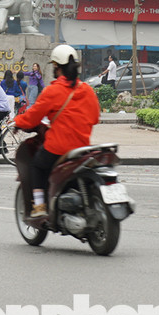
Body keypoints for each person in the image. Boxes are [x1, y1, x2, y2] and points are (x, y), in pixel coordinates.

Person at [13, 44, 101, 218]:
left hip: (58, 148)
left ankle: (39, 207)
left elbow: (32, 117)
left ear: (57, 67)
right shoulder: (87, 90)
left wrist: (16, 121)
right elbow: (95, 117)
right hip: (82, 148)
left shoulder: (52, 91)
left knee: (37, 165)